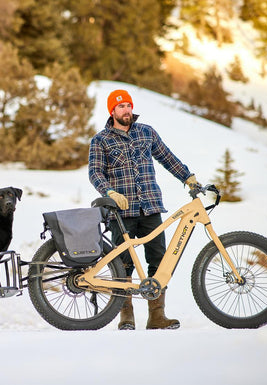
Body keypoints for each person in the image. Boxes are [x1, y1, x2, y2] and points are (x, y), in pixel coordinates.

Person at [88, 89, 199, 330]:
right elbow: (95, 172)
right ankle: (125, 316)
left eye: (128, 105)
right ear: (112, 111)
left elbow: (167, 158)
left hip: (150, 206)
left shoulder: (146, 132)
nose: (126, 110)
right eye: (121, 107)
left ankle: (156, 316)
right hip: (121, 212)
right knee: (123, 263)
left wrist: (187, 177)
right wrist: (109, 192)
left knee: (159, 260)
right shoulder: (101, 140)